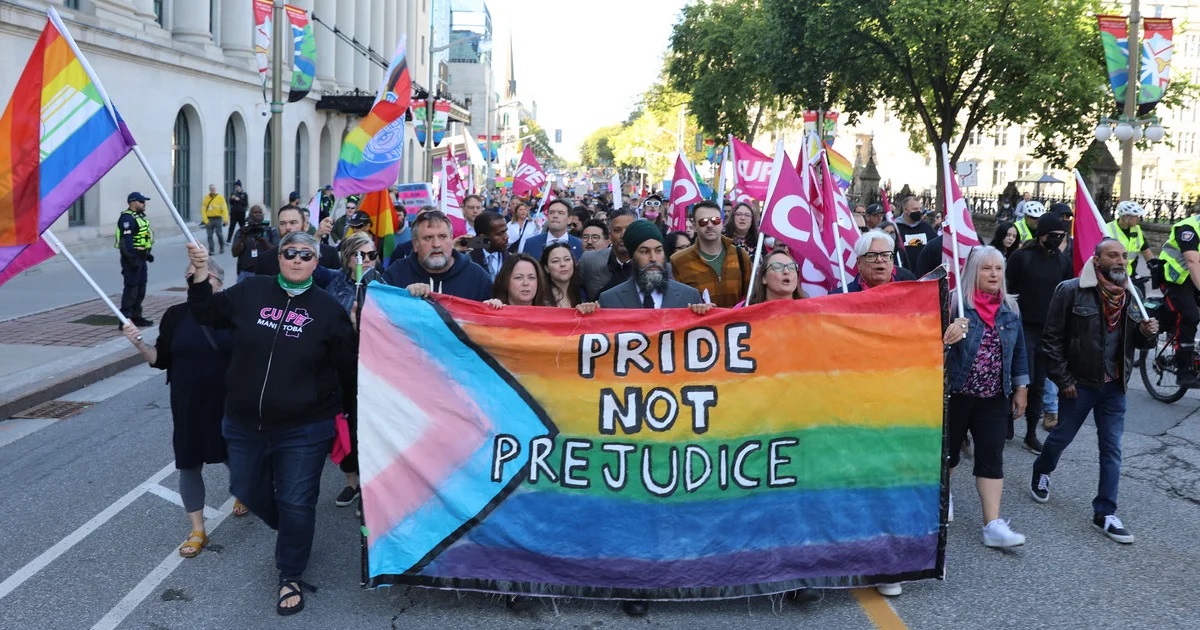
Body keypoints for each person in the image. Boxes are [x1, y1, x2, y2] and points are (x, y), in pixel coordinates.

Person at [185, 232, 357, 615]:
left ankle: (290, 572)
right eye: (289, 252)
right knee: (245, 485)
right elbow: (206, 313)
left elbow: (348, 368)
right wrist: (199, 275)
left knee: (297, 499)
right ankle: (296, 524)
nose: (297, 260)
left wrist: (340, 413)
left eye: (306, 255)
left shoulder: (329, 310)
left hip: (305, 427)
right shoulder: (251, 292)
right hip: (244, 422)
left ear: (316, 262)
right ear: (279, 257)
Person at [595, 219, 712, 618]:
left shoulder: (688, 296)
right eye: (644, 251)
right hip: (630, 416)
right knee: (635, 501)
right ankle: (636, 580)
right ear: (630, 256)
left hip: (678, 414)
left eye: (658, 251)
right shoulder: (610, 300)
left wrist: (705, 317)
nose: (652, 258)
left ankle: (682, 568)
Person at [1031, 238, 1158, 544]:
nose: (1120, 261)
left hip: (1115, 386)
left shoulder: (1132, 294)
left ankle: (1105, 513)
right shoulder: (1071, 290)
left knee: (1112, 448)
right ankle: (1042, 470)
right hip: (1080, 384)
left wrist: (1147, 334)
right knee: (1061, 436)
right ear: (1096, 259)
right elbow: (1051, 340)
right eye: (1113, 255)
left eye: (1124, 257)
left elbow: (1139, 343)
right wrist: (1063, 381)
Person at [122, 259, 245, 560]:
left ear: (219, 282)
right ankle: (197, 529)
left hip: (227, 402)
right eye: (190, 276)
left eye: (202, 275)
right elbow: (159, 359)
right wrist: (139, 344)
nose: (195, 280)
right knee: (189, 463)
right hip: (187, 405)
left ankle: (244, 492)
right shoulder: (175, 315)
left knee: (234, 456)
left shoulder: (233, 313)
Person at [943, 246, 1030, 548]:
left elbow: (1019, 351)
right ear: (972, 272)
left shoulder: (1010, 308)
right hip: (956, 394)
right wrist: (949, 332)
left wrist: (1021, 388)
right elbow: (931, 347)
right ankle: (943, 496)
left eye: (998, 269)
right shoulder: (954, 304)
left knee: (991, 457)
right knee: (948, 455)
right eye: (986, 268)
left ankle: (992, 524)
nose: (994, 274)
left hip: (994, 396)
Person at [323, 232, 385, 512]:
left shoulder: (383, 284)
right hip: (343, 369)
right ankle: (351, 482)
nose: (367, 260)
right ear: (347, 258)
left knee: (372, 427)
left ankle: (373, 486)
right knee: (345, 425)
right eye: (359, 255)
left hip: (376, 370)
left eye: (371, 254)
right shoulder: (335, 286)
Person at [1005, 213, 1072, 453]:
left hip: (1048, 331)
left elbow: (1067, 293)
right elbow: (1007, 290)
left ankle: (1030, 432)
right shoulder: (1021, 258)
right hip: (1022, 328)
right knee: (1017, 376)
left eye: (1061, 236)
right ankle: (1007, 419)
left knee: (1038, 383)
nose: (1057, 240)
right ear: (1042, 234)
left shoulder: (1063, 262)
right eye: (1053, 235)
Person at [382, 210, 492, 301]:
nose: (436, 244)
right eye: (428, 238)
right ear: (415, 244)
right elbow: (378, 312)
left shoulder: (477, 277)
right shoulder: (396, 274)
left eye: (442, 236)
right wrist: (402, 296)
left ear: (451, 239)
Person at [670, 201, 751, 308]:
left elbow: (750, 296)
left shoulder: (740, 255)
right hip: (700, 323)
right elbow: (676, 304)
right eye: (703, 222)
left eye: (715, 221)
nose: (709, 225)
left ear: (721, 223)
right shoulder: (679, 261)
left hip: (735, 323)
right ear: (694, 226)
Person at [255, 206, 338, 275]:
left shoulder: (329, 254)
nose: (287, 228)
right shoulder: (265, 259)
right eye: (282, 223)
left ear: (305, 226)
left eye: (293, 223)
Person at [116, 191, 155, 327]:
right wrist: (132, 259)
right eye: (142, 201)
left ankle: (136, 316)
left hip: (141, 257)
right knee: (131, 289)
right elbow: (126, 242)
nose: (144, 204)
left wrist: (147, 254)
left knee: (140, 288)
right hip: (132, 258)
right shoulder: (127, 219)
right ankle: (125, 320)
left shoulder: (139, 217)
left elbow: (143, 237)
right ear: (133, 202)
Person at [579, 208, 637, 300]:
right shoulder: (589, 261)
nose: (623, 235)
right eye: (617, 230)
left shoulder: (649, 264)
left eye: (629, 229)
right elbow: (573, 291)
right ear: (609, 235)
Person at [842, 230, 917, 292]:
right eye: (872, 255)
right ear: (859, 263)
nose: (880, 260)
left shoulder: (910, 292)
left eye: (885, 255)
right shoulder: (840, 297)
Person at [231, 205, 279, 283]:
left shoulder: (271, 231)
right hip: (245, 273)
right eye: (255, 212)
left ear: (263, 216)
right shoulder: (242, 231)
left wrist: (263, 241)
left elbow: (276, 252)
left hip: (266, 273)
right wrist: (243, 238)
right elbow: (234, 253)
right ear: (250, 215)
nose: (257, 214)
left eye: (260, 212)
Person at [1109, 200, 1153, 278]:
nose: (1138, 219)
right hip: (1112, 273)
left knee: (1140, 289)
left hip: (1130, 273)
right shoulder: (1108, 229)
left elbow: (1146, 250)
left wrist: (1154, 266)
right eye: (1135, 216)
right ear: (1126, 217)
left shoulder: (1137, 229)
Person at [540, 241, 589, 308]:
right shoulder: (540, 298)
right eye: (555, 261)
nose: (562, 264)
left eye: (567, 259)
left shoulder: (582, 295)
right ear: (546, 268)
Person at [894, 196, 937, 263]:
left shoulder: (926, 227)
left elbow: (935, 247)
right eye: (915, 209)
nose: (919, 211)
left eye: (920, 209)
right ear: (905, 210)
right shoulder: (895, 228)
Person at [469, 210, 511, 281]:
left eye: (506, 231)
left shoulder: (510, 260)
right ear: (483, 237)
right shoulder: (468, 259)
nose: (506, 237)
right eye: (500, 233)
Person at [201, 184, 229, 254]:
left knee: (219, 234)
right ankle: (211, 250)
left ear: (215, 189)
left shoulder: (220, 198)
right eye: (211, 189)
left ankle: (221, 247)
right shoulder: (206, 198)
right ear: (209, 190)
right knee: (209, 235)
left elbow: (224, 209)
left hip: (218, 218)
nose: (212, 190)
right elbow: (203, 210)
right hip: (209, 219)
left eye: (213, 189)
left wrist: (226, 219)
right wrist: (205, 220)